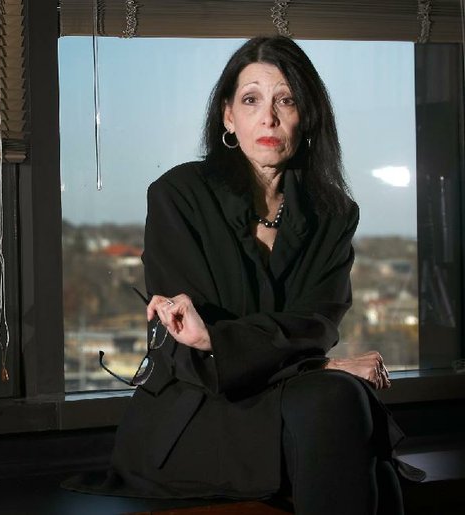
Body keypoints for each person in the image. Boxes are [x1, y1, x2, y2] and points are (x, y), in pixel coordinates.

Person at [64, 36, 424, 514]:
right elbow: (191, 356)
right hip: (196, 415)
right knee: (343, 415)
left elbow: (316, 325)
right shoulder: (179, 196)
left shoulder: (334, 214)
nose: (268, 117)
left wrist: (228, 340)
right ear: (228, 117)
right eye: (251, 100)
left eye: (286, 99)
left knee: (343, 421)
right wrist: (320, 364)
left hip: (294, 412)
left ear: (307, 115)